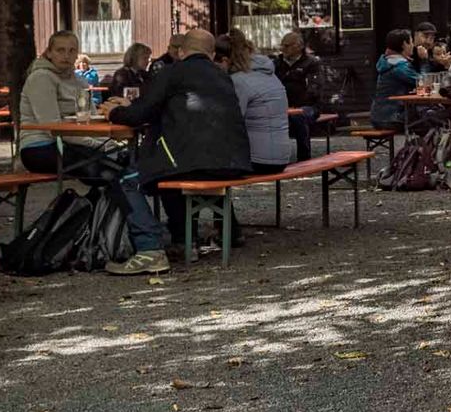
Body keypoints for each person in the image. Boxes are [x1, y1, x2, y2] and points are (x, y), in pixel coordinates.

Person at [104, 28, 251, 276]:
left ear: (181, 52)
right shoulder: (223, 76)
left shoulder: (173, 72)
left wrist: (114, 112)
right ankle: (184, 242)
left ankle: (149, 249)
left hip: (194, 163)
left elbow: (141, 114)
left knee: (126, 179)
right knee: (169, 171)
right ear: (212, 53)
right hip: (232, 162)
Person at [17, 31, 95, 175]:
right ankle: (74, 198)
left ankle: (86, 198)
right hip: (38, 147)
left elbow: (92, 118)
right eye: (60, 50)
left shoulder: (79, 81)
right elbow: (51, 127)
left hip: (73, 144)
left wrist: (107, 142)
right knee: (98, 166)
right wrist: (95, 143)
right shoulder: (41, 78)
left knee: (121, 160)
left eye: (71, 51)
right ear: (49, 53)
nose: (66, 56)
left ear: (77, 54)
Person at [226, 28, 293, 174]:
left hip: (259, 160)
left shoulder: (239, 81)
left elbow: (231, 121)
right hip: (282, 157)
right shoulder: (269, 74)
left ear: (226, 60)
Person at [273, 30, 326, 161]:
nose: (283, 49)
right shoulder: (277, 63)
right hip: (283, 105)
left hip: (307, 106)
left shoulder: (311, 63)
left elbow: (315, 88)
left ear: (299, 46)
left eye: (287, 46)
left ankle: (304, 157)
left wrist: (296, 104)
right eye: (282, 45)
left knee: (299, 115)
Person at [371, 29, 420, 129]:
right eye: (411, 42)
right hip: (393, 117)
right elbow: (423, 82)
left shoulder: (389, 62)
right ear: (404, 44)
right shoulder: (399, 67)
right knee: (432, 117)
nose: (413, 45)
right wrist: (425, 61)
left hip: (379, 116)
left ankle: (421, 144)